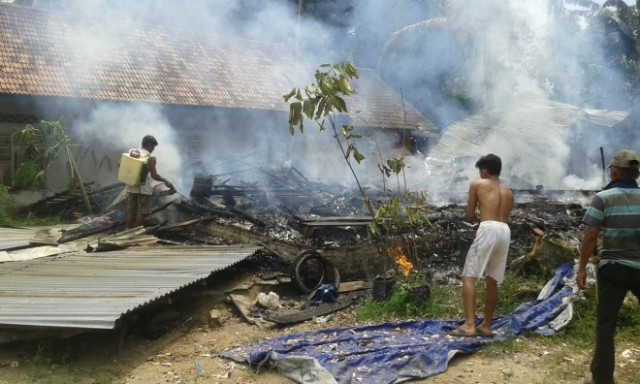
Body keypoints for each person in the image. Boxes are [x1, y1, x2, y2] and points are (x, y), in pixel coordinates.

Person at [577, 149, 640, 384]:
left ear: (614, 172)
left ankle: (602, 378)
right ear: (637, 174)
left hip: (613, 267)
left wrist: (582, 268)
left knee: (606, 324)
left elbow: (591, 236)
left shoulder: (604, 197)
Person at [450, 153, 514, 338]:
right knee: (492, 279)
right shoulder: (508, 191)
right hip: (505, 230)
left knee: (468, 276)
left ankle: (469, 325)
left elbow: (470, 214)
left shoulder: (478, 184)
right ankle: (486, 325)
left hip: (488, 228)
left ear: (484, 171)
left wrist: (478, 222)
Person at [124, 135, 174, 230]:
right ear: (149, 145)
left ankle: (126, 231)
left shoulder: (132, 152)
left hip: (131, 185)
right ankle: (137, 234)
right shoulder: (150, 157)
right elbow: (154, 175)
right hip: (144, 188)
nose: (153, 150)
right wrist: (166, 181)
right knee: (141, 212)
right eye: (153, 147)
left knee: (131, 212)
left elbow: (120, 164)